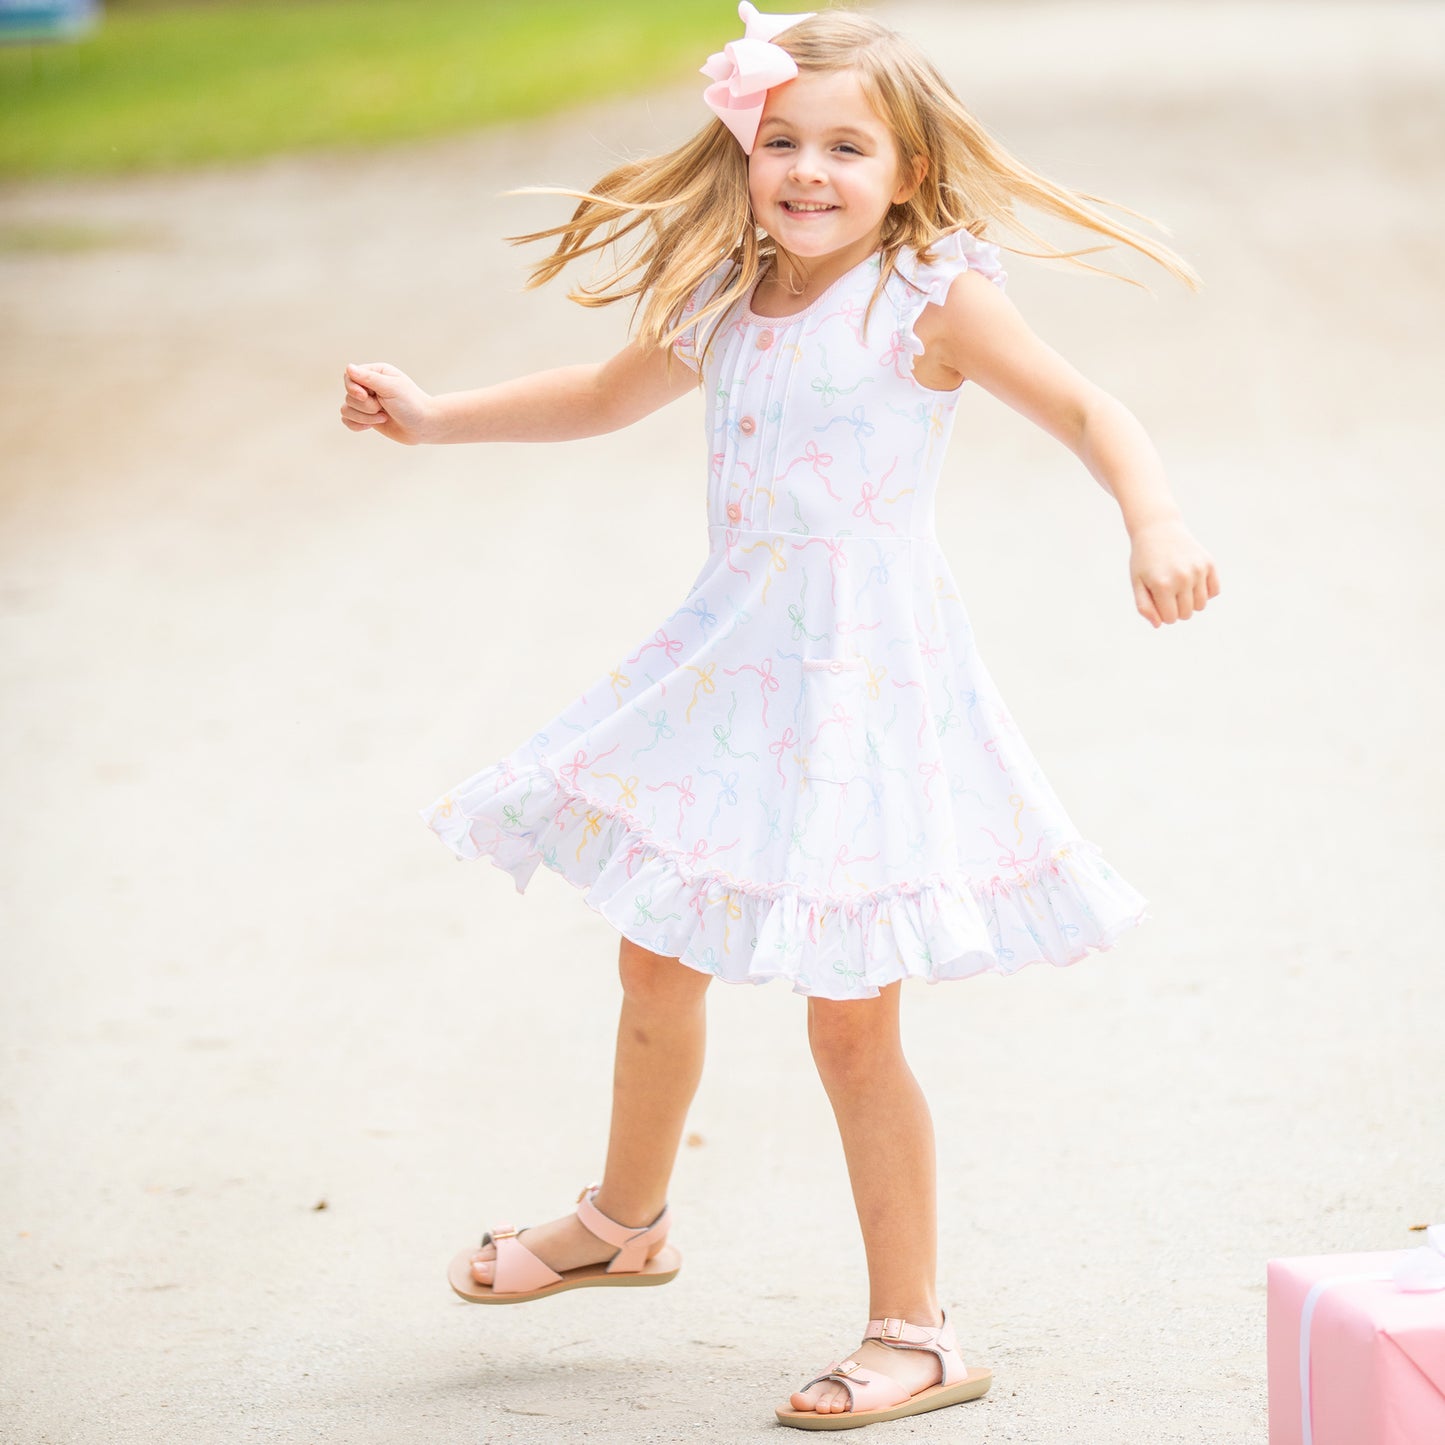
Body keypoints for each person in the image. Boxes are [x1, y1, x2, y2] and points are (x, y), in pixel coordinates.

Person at [339, 2, 1219, 1430]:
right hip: (733, 675)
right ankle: (625, 1222)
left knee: (851, 1023)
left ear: (908, 171)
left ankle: (917, 1330)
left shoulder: (927, 296)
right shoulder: (727, 297)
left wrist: (1154, 519)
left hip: (860, 693)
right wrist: (435, 417)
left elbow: (1084, 407)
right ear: (744, 152)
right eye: (782, 142)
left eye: (845, 147)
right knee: (654, 955)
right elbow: (593, 394)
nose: (807, 171)